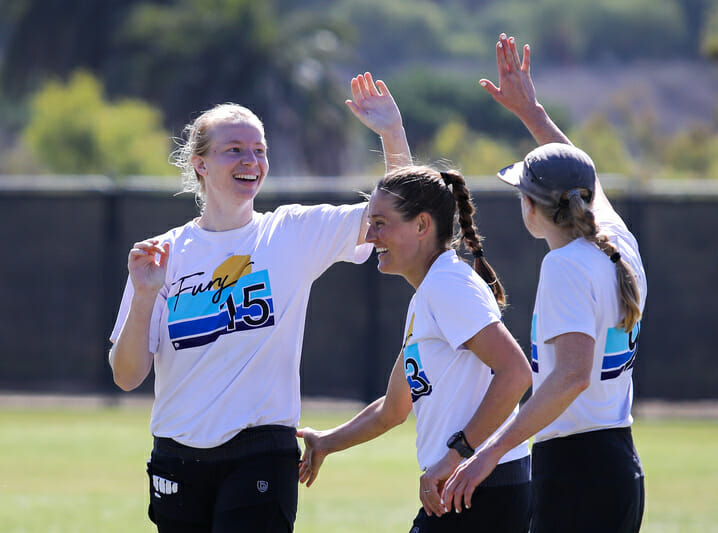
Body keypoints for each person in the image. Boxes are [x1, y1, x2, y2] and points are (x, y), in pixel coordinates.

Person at [108, 72, 411, 532]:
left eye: (260, 150)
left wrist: (391, 132)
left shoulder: (289, 232)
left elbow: (395, 215)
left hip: (261, 451)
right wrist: (146, 295)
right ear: (200, 165)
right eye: (235, 149)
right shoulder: (160, 256)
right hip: (176, 456)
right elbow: (127, 376)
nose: (252, 160)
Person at [296, 80, 534, 533]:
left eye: (382, 224)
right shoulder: (429, 291)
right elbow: (393, 408)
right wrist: (327, 442)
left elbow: (517, 374)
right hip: (469, 487)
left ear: (423, 225)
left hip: (483, 489)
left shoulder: (447, 286)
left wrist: (456, 454)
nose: (371, 235)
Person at [442, 34, 647, 532]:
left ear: (531, 208)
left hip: (577, 473)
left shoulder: (565, 265)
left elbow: (572, 375)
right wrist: (531, 112)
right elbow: (582, 175)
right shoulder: (617, 242)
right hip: (617, 463)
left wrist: (490, 451)